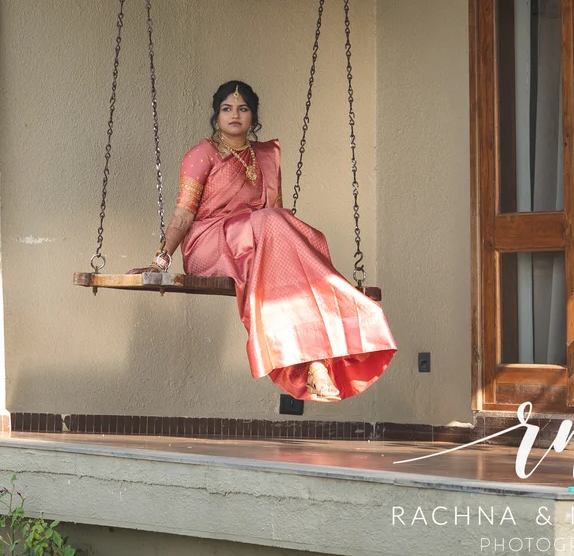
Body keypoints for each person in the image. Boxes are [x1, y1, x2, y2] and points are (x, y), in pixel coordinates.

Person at [151, 79, 395, 402]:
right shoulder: (202, 155)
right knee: (275, 223)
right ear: (216, 116)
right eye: (227, 109)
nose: (234, 114)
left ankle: (315, 360)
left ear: (253, 116)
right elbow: (183, 216)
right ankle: (322, 342)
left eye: (243, 108)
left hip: (257, 242)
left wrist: (275, 226)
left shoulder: (265, 156)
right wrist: (161, 259)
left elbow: (276, 213)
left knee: (309, 236)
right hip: (210, 245)